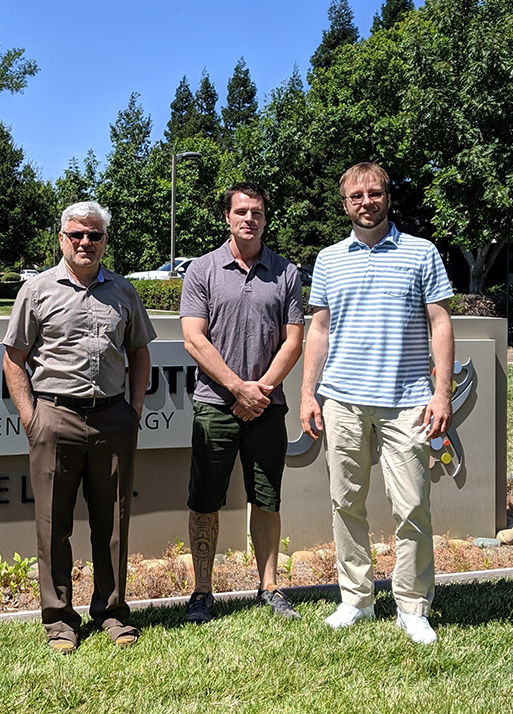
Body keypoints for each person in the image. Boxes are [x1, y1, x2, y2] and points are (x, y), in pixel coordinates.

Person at [300, 162, 454, 645]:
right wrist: (308, 392)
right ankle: (356, 600)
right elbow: (319, 330)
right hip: (343, 400)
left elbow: (440, 323)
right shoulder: (328, 259)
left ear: (388, 198)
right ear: (344, 204)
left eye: (374, 193)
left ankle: (411, 606)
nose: (365, 202)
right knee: (345, 502)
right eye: (356, 196)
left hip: (408, 401)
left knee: (412, 506)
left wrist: (442, 391)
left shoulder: (421, 253)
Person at [2, 201, 156, 654]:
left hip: (112, 418)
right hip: (55, 418)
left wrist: (134, 409)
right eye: (77, 235)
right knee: (54, 524)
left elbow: (140, 353)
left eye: (94, 235)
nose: (85, 242)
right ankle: (59, 620)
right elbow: (14, 357)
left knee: (113, 523)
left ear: (105, 240)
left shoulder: (124, 293)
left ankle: (111, 612)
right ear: (61, 238)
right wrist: (32, 418)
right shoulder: (37, 290)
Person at [179, 182, 305, 623]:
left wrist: (260, 391)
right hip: (214, 406)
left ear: (266, 218)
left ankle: (269, 587)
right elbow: (194, 338)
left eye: (256, 212)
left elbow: (294, 341)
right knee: (205, 500)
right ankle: (202, 591)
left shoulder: (286, 273)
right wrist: (237, 388)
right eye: (241, 212)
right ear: (227, 218)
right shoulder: (202, 269)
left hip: (268, 407)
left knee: (267, 499)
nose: (248, 218)